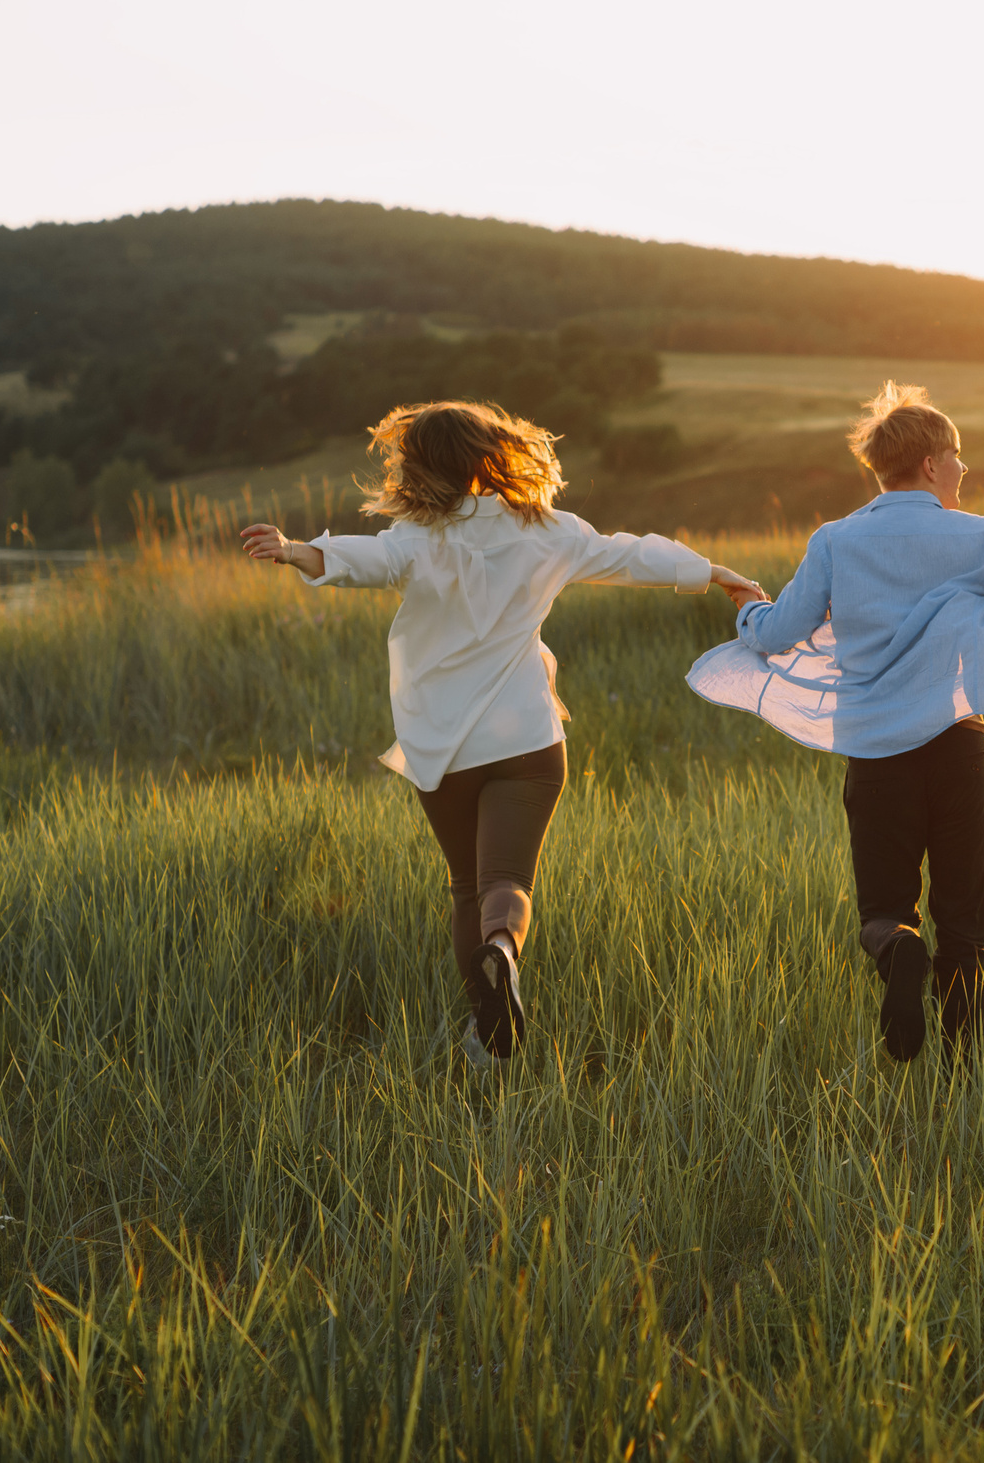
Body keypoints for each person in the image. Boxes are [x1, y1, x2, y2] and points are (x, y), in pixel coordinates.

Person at [240, 400, 764, 1063]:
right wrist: (715, 572)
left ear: (423, 471)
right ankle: (502, 953)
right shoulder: (548, 529)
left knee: (466, 885)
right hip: (527, 741)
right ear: (494, 455)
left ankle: (486, 1039)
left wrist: (295, 551)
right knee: (507, 882)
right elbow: (628, 556)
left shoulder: (416, 538)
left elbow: (360, 559)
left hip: (447, 745)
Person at [687, 382, 984, 1066]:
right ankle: (962, 1078)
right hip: (960, 755)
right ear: (929, 465)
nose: (962, 470)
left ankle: (898, 948)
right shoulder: (982, 536)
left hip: (878, 760)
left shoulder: (835, 540)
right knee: (966, 930)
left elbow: (777, 635)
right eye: (957, 457)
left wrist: (748, 606)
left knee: (883, 913)